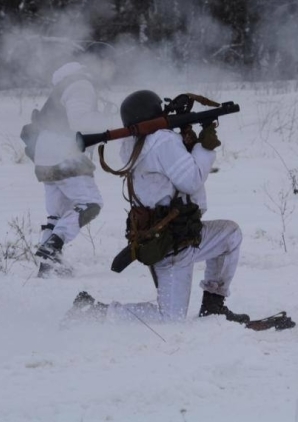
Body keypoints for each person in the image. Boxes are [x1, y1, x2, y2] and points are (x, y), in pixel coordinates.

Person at [71, 90, 249, 324]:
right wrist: (204, 147)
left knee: (230, 234)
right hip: (174, 244)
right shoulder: (163, 141)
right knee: (170, 319)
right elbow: (192, 179)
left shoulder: (133, 144)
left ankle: (213, 306)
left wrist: (187, 139)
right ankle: (96, 312)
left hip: (163, 238)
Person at [21, 44, 118, 277]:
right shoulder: (81, 85)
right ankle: (52, 248)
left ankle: (47, 268)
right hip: (62, 150)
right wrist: (109, 120)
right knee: (90, 204)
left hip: (44, 153)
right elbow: (80, 121)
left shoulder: (66, 84)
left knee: (57, 213)